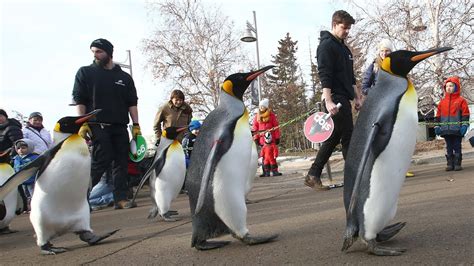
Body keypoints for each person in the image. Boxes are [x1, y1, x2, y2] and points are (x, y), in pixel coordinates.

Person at [72, 38, 140, 209]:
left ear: (109, 52)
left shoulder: (124, 78)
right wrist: (83, 123)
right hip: (96, 124)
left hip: (119, 125)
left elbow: (132, 102)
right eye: (93, 51)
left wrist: (136, 125)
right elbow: (79, 99)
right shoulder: (85, 73)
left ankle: (120, 198)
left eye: (99, 51)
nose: (95, 55)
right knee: (101, 160)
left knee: (121, 162)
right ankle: (80, 200)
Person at [304, 10, 363, 191]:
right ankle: (355, 177)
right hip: (334, 97)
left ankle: (313, 174)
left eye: (348, 28)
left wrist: (358, 96)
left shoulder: (344, 48)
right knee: (348, 137)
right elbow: (325, 74)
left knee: (334, 136)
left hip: (344, 97)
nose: (346, 31)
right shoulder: (327, 46)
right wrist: (328, 100)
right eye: (344, 27)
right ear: (334, 25)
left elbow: (350, 77)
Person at [361, 39, 415, 177]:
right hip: (379, 107)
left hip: (396, 105)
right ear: (379, 52)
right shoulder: (373, 67)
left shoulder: (396, 66)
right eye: (382, 51)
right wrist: (377, 91)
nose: (385, 53)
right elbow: (365, 88)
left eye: (387, 50)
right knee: (381, 137)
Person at [434, 76, 470, 171]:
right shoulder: (442, 102)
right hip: (445, 129)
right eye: (447, 86)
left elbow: (465, 114)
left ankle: (458, 163)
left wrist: (465, 125)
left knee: (457, 145)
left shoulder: (461, 101)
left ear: (456, 87)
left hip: (457, 129)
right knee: (449, 146)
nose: (448, 88)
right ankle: (450, 163)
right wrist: (437, 126)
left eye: (451, 86)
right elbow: (438, 116)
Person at [13, 139, 39, 211]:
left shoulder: (34, 158)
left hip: (32, 180)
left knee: (33, 194)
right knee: (26, 195)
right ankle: (29, 207)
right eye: (18, 148)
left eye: (23, 148)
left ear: (30, 148)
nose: (20, 150)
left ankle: (35, 207)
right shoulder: (16, 158)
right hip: (22, 181)